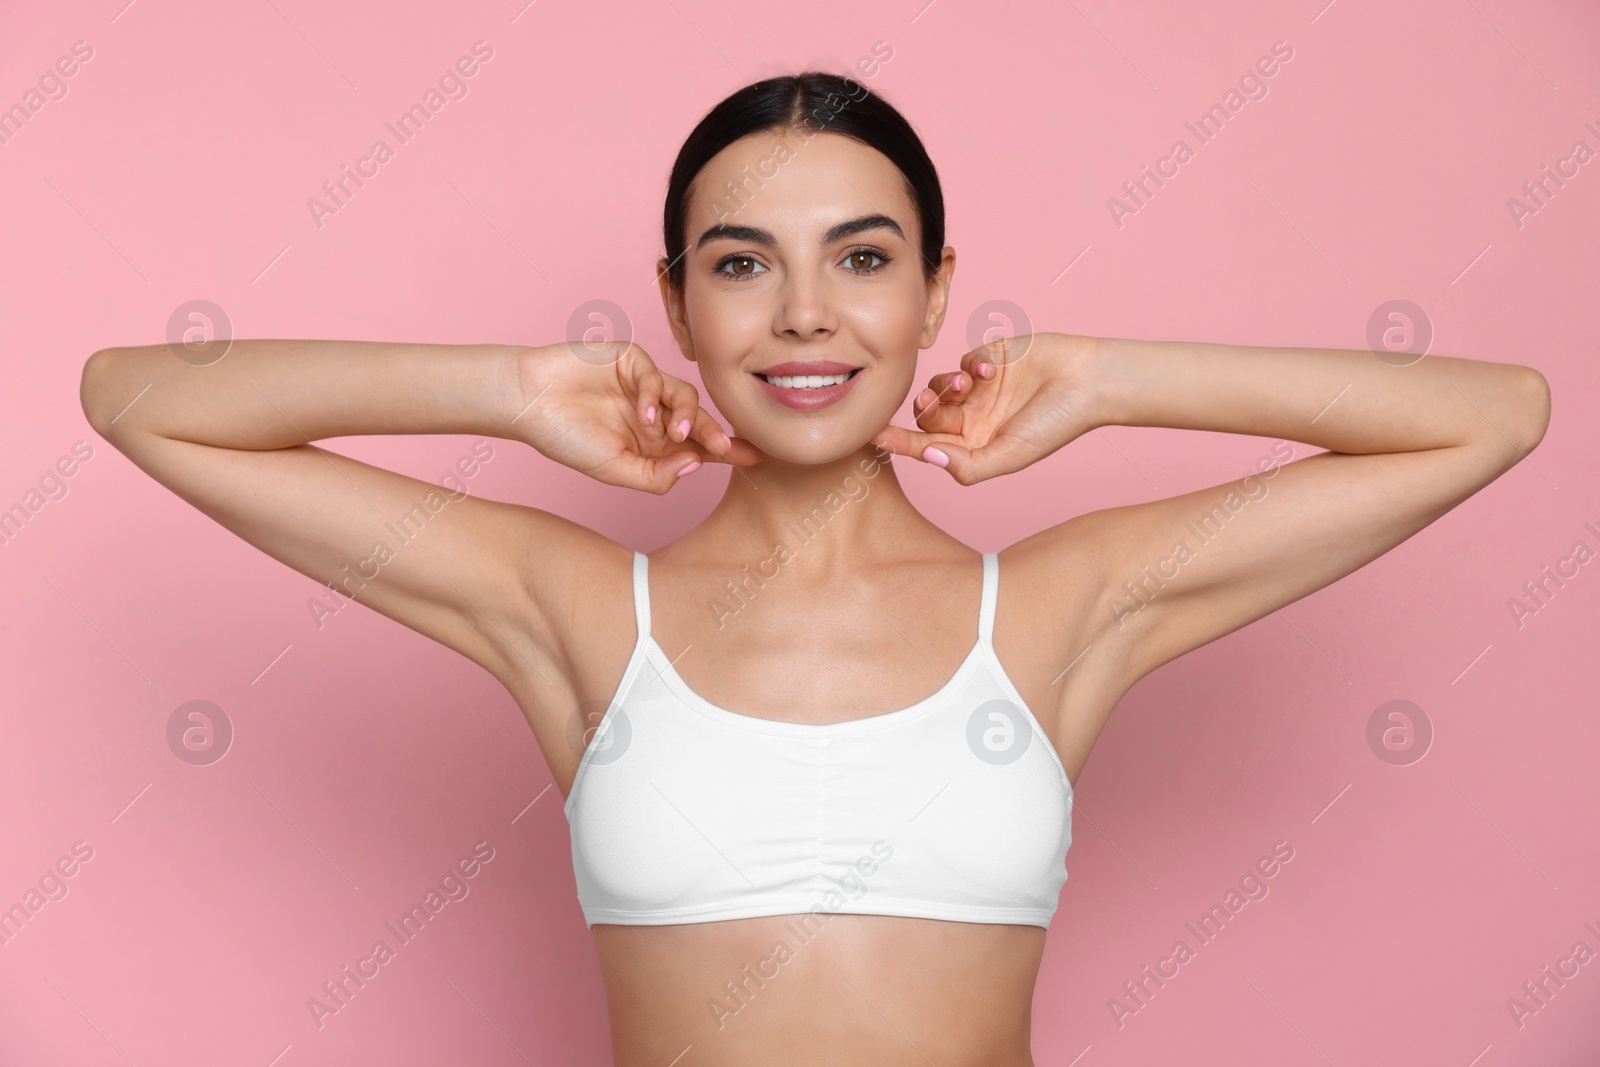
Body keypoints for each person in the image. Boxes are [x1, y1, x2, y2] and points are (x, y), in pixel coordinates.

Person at [80, 71, 1549, 1066]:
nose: (802, 316)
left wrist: (1111, 376)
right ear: (675, 303)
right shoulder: (579, 609)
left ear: (934, 290)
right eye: (738, 265)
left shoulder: (1054, 607)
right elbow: (136, 399)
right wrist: (511, 387)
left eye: (861, 259)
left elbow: (1493, 416)